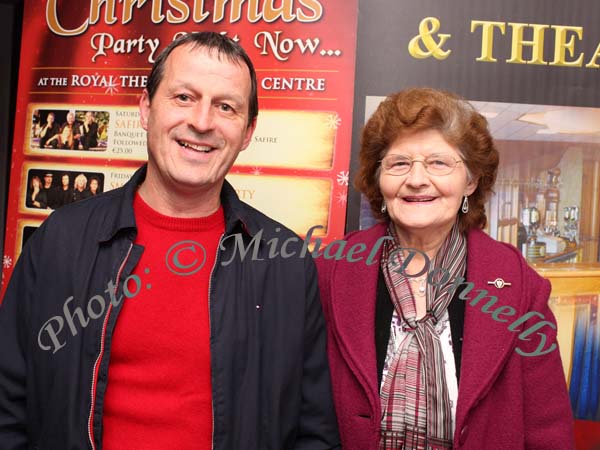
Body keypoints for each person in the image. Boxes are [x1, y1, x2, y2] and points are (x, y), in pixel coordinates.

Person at [0, 32, 339, 450]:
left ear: (248, 131)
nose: (201, 121)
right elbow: (8, 405)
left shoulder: (285, 263)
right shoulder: (61, 241)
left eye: (226, 107)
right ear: (145, 109)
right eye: (183, 97)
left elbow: (314, 431)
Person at [316, 88, 574, 450]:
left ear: (470, 181)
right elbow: (300, 407)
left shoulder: (520, 285)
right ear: (379, 178)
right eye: (399, 163)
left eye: (438, 163)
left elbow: (548, 428)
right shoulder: (331, 270)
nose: (417, 179)